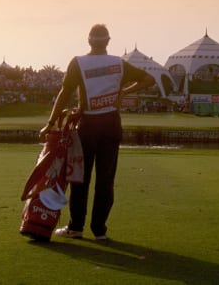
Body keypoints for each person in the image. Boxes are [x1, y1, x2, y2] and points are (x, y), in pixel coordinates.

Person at [39, 24, 154, 241]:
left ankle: (76, 228)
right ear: (108, 42)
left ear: (89, 41)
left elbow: (64, 94)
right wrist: (123, 91)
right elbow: (149, 79)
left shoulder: (78, 63)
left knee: (80, 178)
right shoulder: (118, 63)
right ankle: (100, 231)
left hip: (88, 125)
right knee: (106, 179)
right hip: (111, 123)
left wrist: (50, 122)